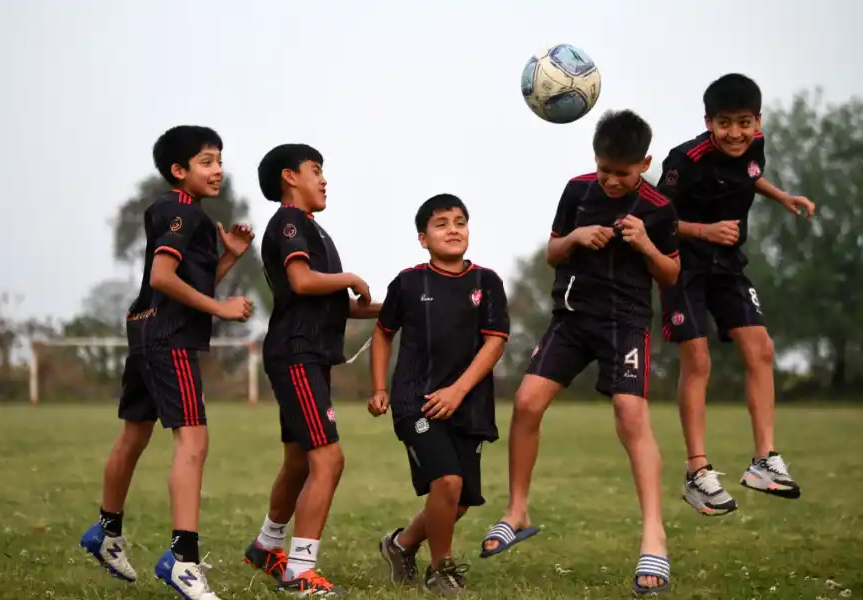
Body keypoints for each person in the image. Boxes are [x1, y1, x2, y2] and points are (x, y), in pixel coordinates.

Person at [480, 110, 680, 595]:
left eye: (623, 173)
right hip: (572, 319)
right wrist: (574, 238)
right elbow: (553, 251)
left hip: (626, 325)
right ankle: (517, 511)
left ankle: (654, 536)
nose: (611, 181)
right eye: (604, 169)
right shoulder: (577, 190)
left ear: (645, 164)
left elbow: (671, 274)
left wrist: (646, 245)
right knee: (526, 404)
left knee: (631, 416)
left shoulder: (659, 208)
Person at [79, 125, 256, 600]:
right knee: (193, 441)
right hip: (169, 337)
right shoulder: (182, 209)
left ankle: (106, 531)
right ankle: (182, 558)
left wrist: (228, 258)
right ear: (180, 171)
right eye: (205, 161)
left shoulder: (174, 211)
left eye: (219, 159)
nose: (217, 169)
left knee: (134, 433)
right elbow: (162, 274)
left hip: (146, 328)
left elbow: (180, 278)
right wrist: (221, 308)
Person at [655, 73, 814, 517]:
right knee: (698, 360)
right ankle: (697, 472)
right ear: (708, 122)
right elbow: (651, 219)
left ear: (757, 121)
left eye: (745, 122)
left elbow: (747, 176)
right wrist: (702, 230)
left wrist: (781, 195)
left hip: (727, 266)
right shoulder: (683, 160)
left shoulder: (754, 144)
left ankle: (764, 461)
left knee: (761, 348)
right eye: (724, 123)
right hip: (682, 267)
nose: (736, 133)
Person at [242, 143, 379, 597]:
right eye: (315, 170)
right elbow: (302, 282)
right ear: (290, 177)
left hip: (309, 357)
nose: (324, 179)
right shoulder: (289, 222)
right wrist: (351, 278)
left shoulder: (314, 231)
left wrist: (395, 308)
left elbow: (336, 304)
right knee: (329, 459)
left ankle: (266, 546)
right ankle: (300, 571)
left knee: (300, 459)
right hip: (297, 354)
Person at [368, 194, 510, 597]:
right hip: (418, 402)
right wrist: (380, 388)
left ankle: (399, 545)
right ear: (422, 238)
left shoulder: (487, 282)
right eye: (441, 223)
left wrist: (459, 391)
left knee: (459, 501)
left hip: (470, 404)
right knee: (445, 482)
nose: (453, 229)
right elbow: (382, 333)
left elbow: (495, 342)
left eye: (460, 221)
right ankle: (441, 571)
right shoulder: (409, 283)